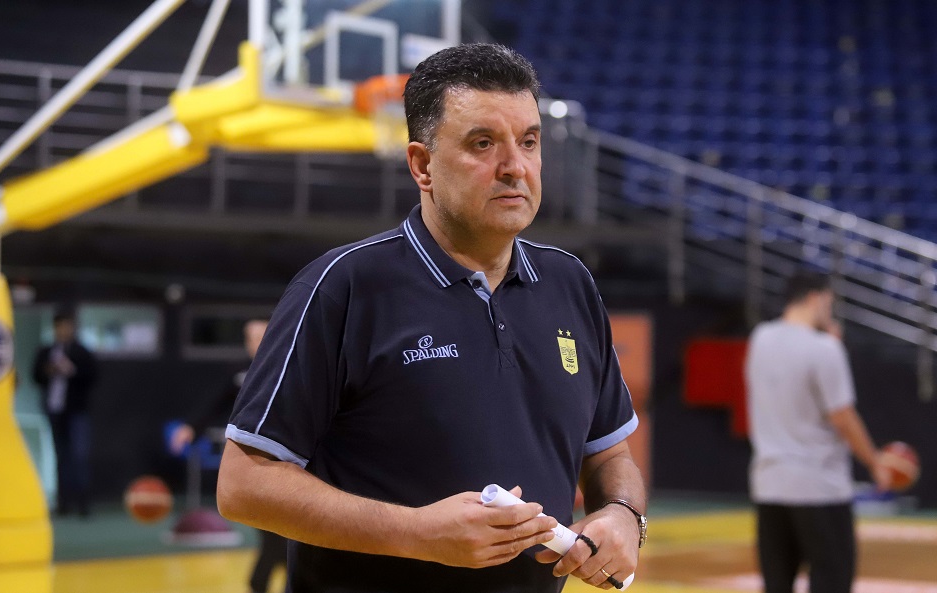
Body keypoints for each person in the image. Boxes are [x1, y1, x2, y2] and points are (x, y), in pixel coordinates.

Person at [217, 43, 647, 593]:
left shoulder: (571, 284)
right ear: (422, 165)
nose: (515, 166)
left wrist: (623, 514)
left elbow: (610, 454)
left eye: (529, 141)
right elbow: (243, 485)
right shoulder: (343, 287)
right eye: (483, 143)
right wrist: (415, 533)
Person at [744, 270, 891, 593]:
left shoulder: (760, 338)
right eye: (830, 303)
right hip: (819, 487)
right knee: (831, 581)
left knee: (776, 584)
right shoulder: (825, 348)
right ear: (816, 298)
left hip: (769, 484)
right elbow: (843, 417)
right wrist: (874, 461)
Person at [169, 319, 287, 593]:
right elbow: (215, 403)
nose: (256, 342)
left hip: (282, 457)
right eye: (251, 337)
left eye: (261, 336)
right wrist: (191, 427)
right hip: (251, 460)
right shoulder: (239, 373)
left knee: (280, 527)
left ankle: (263, 579)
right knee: (269, 525)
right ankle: (269, 577)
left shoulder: (287, 366)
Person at [33, 310, 97, 517]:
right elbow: (36, 375)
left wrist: (71, 370)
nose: (63, 330)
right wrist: (49, 371)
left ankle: (83, 503)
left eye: (67, 326)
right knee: (61, 456)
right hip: (55, 411)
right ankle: (63, 503)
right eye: (60, 326)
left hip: (77, 412)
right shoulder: (47, 351)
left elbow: (92, 376)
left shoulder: (81, 352)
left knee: (79, 455)